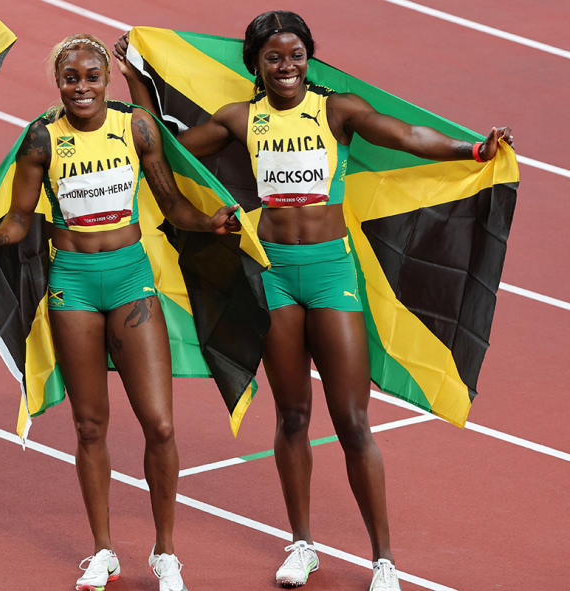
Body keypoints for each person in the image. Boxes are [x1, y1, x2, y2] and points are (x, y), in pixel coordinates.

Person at [114, 10, 512, 591]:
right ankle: (301, 545)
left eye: (296, 55)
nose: (286, 67)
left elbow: (404, 135)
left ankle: (383, 561)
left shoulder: (337, 110)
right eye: (274, 58)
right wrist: (134, 81)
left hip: (331, 275)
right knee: (293, 416)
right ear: (256, 65)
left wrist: (471, 148)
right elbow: (160, 154)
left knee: (352, 421)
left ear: (309, 58)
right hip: (274, 275)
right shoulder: (240, 119)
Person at [0, 33, 240, 591]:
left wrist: (211, 222)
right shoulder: (41, 141)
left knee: (160, 424)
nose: (82, 87)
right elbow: (23, 217)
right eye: (71, 78)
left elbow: (171, 205)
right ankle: (103, 551)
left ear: (106, 79)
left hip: (131, 280)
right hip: (73, 284)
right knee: (90, 425)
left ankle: (166, 553)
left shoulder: (136, 128)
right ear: (58, 83)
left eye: (92, 75)